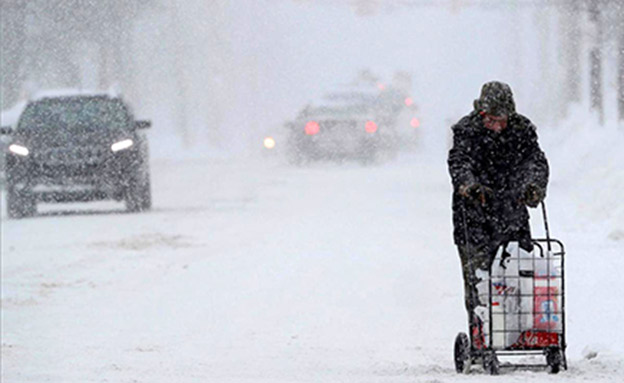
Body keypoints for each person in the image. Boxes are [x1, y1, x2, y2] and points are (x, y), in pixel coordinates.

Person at [447, 81, 549, 347]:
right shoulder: (466, 131)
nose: (496, 125)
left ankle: (520, 333)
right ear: (481, 113)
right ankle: (482, 335)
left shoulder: (522, 130)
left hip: (511, 211)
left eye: (501, 120)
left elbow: (534, 161)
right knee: (478, 279)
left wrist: (534, 186)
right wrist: (468, 185)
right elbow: (460, 162)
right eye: (490, 119)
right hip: (473, 216)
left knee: (518, 274)